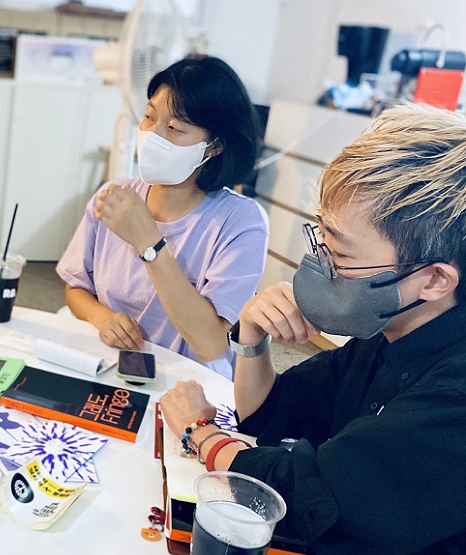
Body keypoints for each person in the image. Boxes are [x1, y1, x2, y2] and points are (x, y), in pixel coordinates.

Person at [159, 103, 466, 553]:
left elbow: (313, 497)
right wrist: (251, 334)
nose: (320, 264)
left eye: (340, 254)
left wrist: (199, 433)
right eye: (321, 238)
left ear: (435, 280)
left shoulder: (452, 396)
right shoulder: (390, 333)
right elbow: (269, 413)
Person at [56, 56, 268, 379]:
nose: (153, 135)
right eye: (149, 117)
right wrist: (102, 318)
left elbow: (211, 344)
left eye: (173, 128)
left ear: (214, 146)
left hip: (188, 381)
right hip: (109, 363)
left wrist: (149, 242)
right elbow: (76, 288)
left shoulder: (242, 222)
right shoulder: (115, 197)